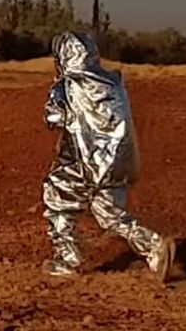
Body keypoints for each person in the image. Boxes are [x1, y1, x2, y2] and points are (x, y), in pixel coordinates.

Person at [41, 30, 175, 280]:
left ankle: (68, 260)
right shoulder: (114, 82)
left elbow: (53, 119)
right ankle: (154, 247)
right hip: (117, 164)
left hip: (82, 164)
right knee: (111, 214)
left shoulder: (66, 86)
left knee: (57, 200)